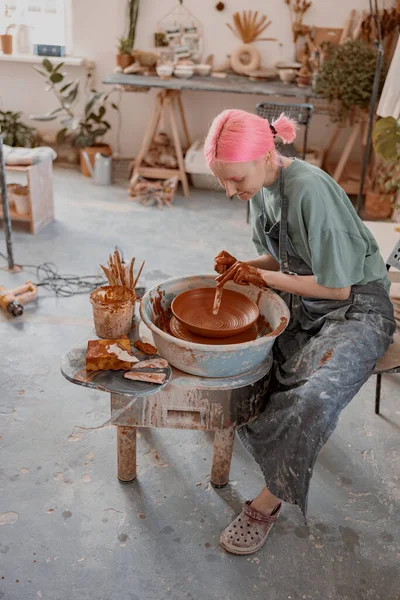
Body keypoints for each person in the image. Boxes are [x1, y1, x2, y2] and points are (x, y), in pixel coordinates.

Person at [203, 109, 396, 556]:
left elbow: (337, 284)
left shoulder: (308, 187)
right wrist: (242, 266)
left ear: (265, 154)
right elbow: (283, 259)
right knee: (248, 363)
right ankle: (273, 441)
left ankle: (268, 502)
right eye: (223, 183)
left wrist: (259, 279)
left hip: (356, 306)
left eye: (235, 179)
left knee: (314, 399)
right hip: (307, 300)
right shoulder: (262, 190)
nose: (232, 192)